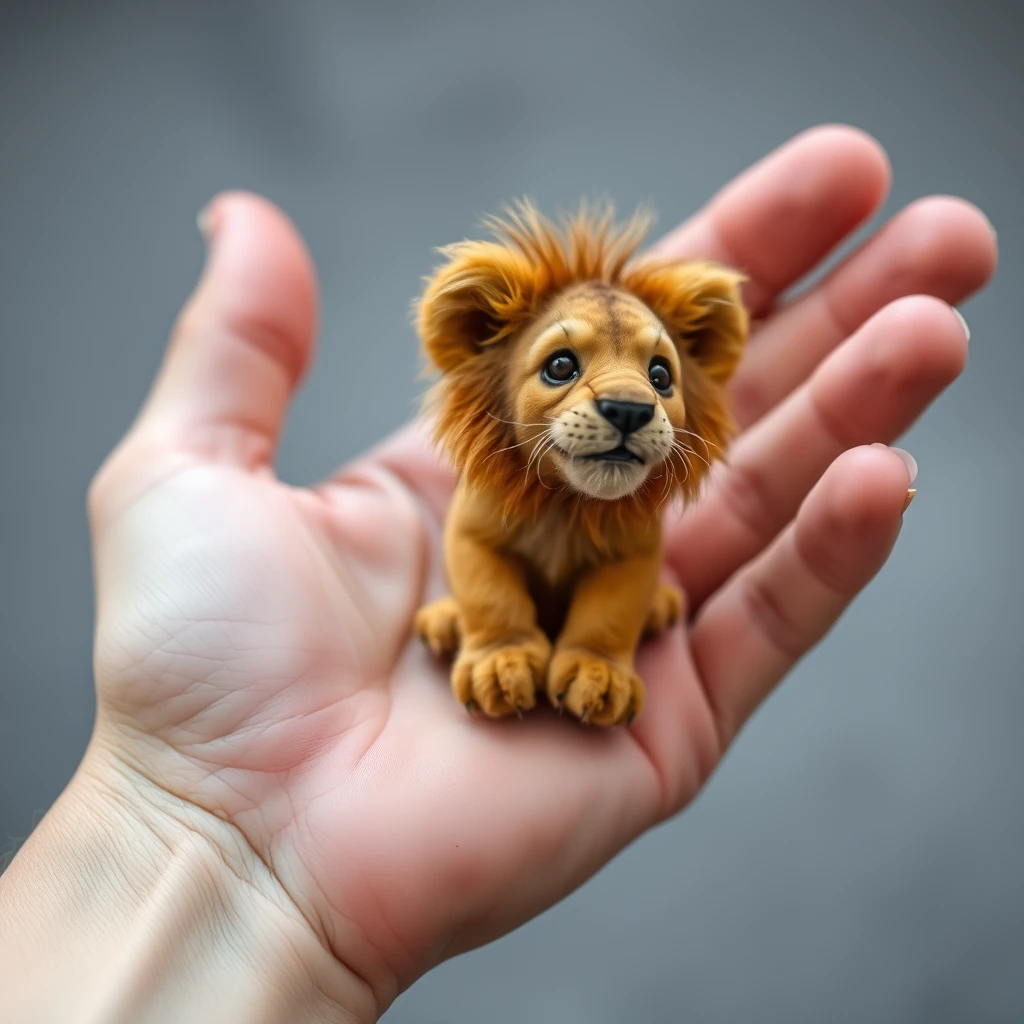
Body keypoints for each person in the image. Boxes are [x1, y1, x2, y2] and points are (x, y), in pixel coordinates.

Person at [0, 125, 996, 1023]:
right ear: (490, 359)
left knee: (628, 575)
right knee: (487, 585)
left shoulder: (637, 505)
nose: (621, 402)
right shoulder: (489, 487)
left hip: (617, 596)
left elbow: (630, 556)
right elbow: (474, 551)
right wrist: (502, 634)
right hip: (492, 604)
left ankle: (584, 632)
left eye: (657, 373)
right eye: (561, 366)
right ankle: (503, 635)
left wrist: (602, 640)